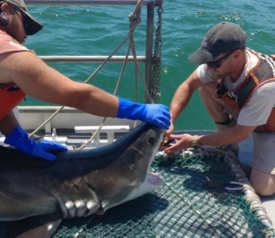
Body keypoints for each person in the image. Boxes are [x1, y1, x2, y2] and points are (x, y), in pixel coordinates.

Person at [0, 0, 171, 161]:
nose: (26, 35)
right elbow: (78, 96)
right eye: (26, 25)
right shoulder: (11, 54)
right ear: (6, 10)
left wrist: (21, 140)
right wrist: (139, 110)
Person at [164, 22, 275, 196]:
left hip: (270, 128)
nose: (208, 67)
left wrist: (194, 141)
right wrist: (169, 121)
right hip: (252, 113)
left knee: (262, 187)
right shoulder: (223, 63)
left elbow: (241, 133)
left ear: (237, 55)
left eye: (214, 64)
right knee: (207, 87)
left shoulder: (263, 85)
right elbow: (188, 85)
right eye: (206, 61)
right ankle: (228, 146)